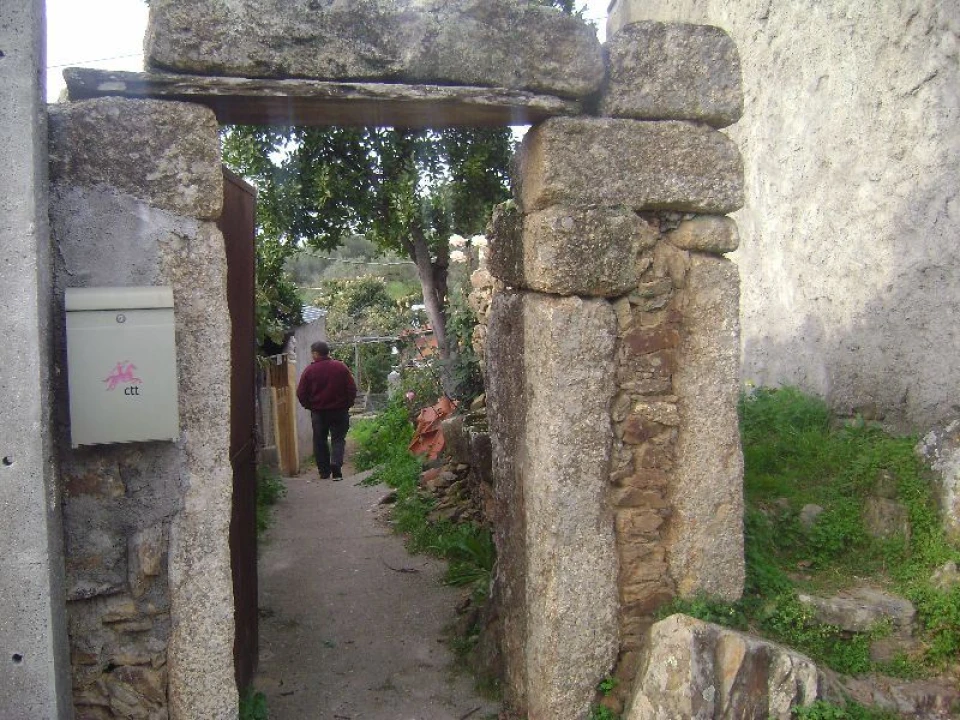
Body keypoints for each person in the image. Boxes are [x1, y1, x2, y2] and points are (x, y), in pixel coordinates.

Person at [296, 341, 357, 480]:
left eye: (312, 353)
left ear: (316, 353)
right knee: (338, 439)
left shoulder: (309, 371)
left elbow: (301, 392)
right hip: (339, 411)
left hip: (319, 412)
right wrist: (347, 404)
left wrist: (309, 406)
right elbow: (352, 388)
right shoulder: (340, 367)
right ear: (328, 352)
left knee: (320, 441)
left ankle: (324, 471)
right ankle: (336, 465)